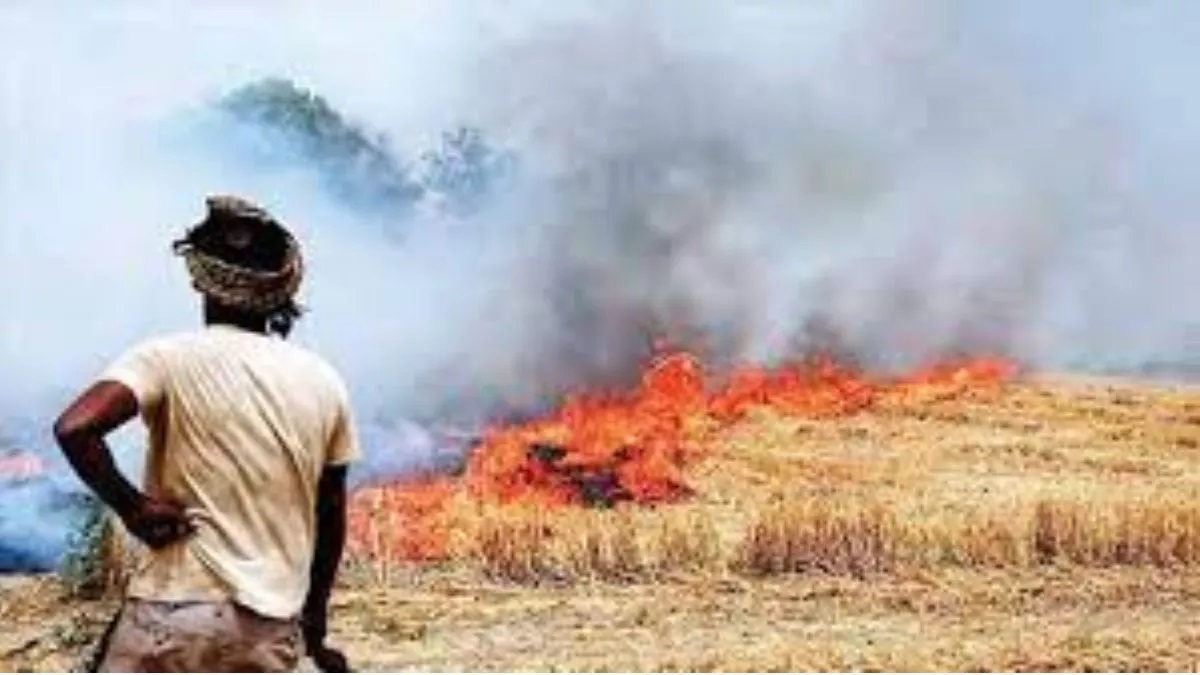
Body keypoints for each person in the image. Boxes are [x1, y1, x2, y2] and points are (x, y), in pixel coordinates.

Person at [53, 195, 358, 672]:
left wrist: (134, 508)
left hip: (170, 615)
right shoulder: (324, 381)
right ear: (280, 289)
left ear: (199, 280)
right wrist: (314, 623)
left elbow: (76, 428)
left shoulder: (163, 358)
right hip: (268, 628)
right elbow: (332, 512)